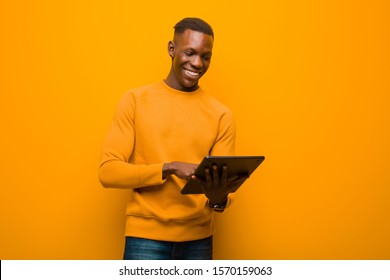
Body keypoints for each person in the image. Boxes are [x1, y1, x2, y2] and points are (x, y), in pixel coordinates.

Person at [98, 17, 244, 260]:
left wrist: (219, 197)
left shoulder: (222, 115)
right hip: (145, 239)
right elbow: (108, 172)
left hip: (198, 240)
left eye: (205, 56)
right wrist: (170, 168)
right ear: (171, 49)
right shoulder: (135, 101)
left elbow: (222, 197)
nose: (197, 63)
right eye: (190, 52)